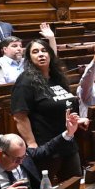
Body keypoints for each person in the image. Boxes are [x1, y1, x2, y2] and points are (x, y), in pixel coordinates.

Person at [12, 37, 83, 178]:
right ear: (29, 58)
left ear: (50, 54)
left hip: (67, 142)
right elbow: (20, 116)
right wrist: (32, 144)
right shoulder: (26, 81)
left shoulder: (57, 77)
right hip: (46, 146)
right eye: (35, 52)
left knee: (74, 187)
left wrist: (78, 120)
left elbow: (66, 105)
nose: (41, 54)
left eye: (44, 50)